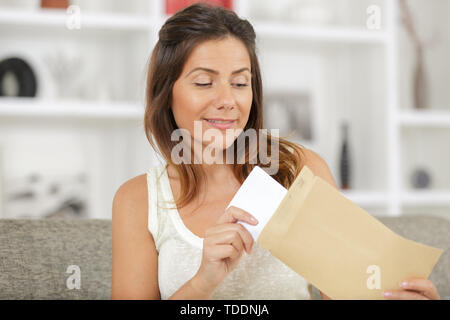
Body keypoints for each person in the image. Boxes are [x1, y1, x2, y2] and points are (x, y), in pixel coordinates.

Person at [111, 3, 440, 300]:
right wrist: (202, 283)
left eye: (240, 83)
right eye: (203, 82)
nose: (228, 101)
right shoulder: (138, 200)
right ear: (165, 93)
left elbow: (349, 293)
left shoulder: (301, 170)